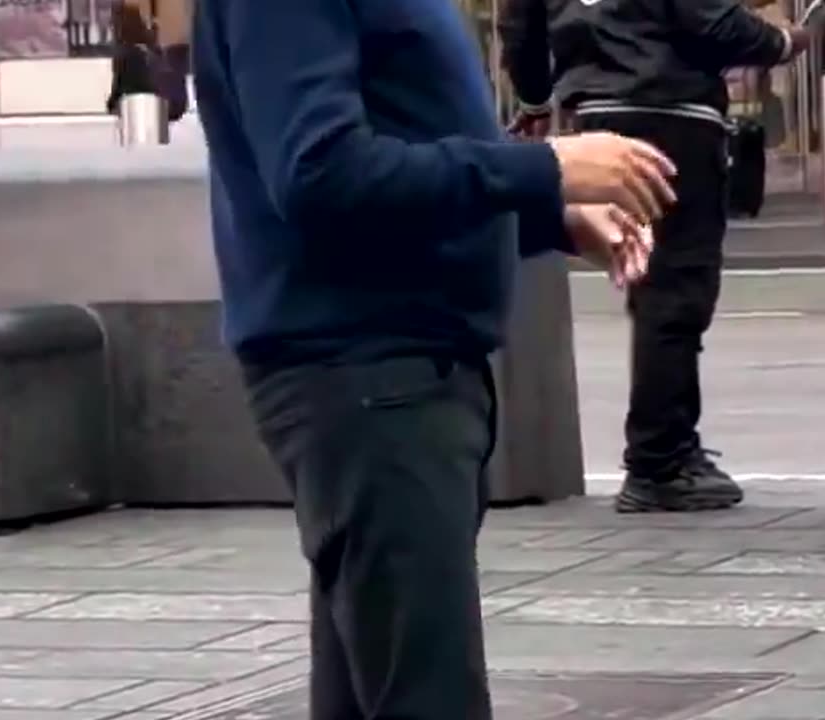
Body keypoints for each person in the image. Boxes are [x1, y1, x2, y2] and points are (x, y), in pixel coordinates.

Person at [190, 1, 677, 718]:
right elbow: (320, 174)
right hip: (368, 373)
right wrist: (541, 167)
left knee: (379, 692)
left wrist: (550, 216)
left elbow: (408, 140)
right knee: (426, 696)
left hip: (402, 371)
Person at [499, 0, 818, 513]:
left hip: (594, 118)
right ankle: (660, 458)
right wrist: (785, 41)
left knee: (648, 278)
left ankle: (662, 448)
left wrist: (537, 99)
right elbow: (710, 21)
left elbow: (519, 25)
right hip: (670, 111)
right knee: (676, 286)